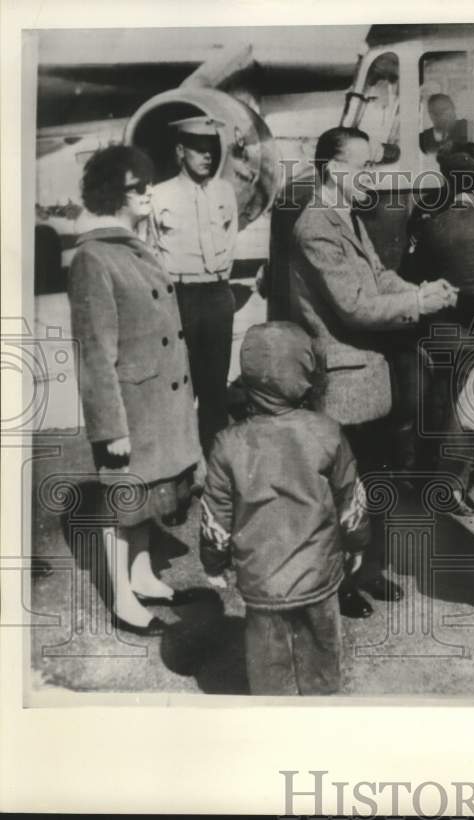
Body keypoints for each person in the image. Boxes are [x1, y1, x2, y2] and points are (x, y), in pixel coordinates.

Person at [287, 126, 457, 618]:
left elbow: (377, 276)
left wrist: (417, 290)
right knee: (342, 491)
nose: (372, 178)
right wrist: (418, 302)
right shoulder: (316, 226)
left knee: (373, 482)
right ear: (334, 170)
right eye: (363, 169)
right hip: (344, 381)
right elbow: (354, 306)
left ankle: (368, 570)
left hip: (367, 377)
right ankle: (337, 583)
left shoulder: (344, 216)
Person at [68, 145, 202, 636]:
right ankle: (122, 600)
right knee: (121, 505)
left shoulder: (134, 246)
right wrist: (110, 427)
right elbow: (94, 353)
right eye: (136, 186)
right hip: (131, 408)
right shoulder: (93, 257)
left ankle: (143, 577)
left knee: (150, 497)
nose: (148, 192)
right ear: (111, 194)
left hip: (158, 402)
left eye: (148, 183)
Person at [199, 322, 370, 695]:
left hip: (261, 580)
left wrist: (214, 563)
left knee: (267, 659)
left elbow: (215, 514)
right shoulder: (326, 432)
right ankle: (319, 709)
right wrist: (357, 543)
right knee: (322, 648)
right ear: (305, 372)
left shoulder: (228, 444)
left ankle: (272, 722)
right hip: (318, 572)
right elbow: (350, 499)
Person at [408, 146, 474, 513]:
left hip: (436, 327)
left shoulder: (430, 222)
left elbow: (412, 272)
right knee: (469, 406)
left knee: (441, 403)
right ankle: (450, 485)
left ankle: (432, 477)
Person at [150, 116, 240, 457]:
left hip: (217, 294)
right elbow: (152, 248)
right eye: (199, 149)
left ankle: (216, 464)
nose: (207, 156)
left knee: (215, 385)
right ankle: (181, 465)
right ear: (179, 151)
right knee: (178, 385)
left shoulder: (224, 192)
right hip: (179, 296)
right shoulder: (160, 196)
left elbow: (230, 239)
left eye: (212, 150)